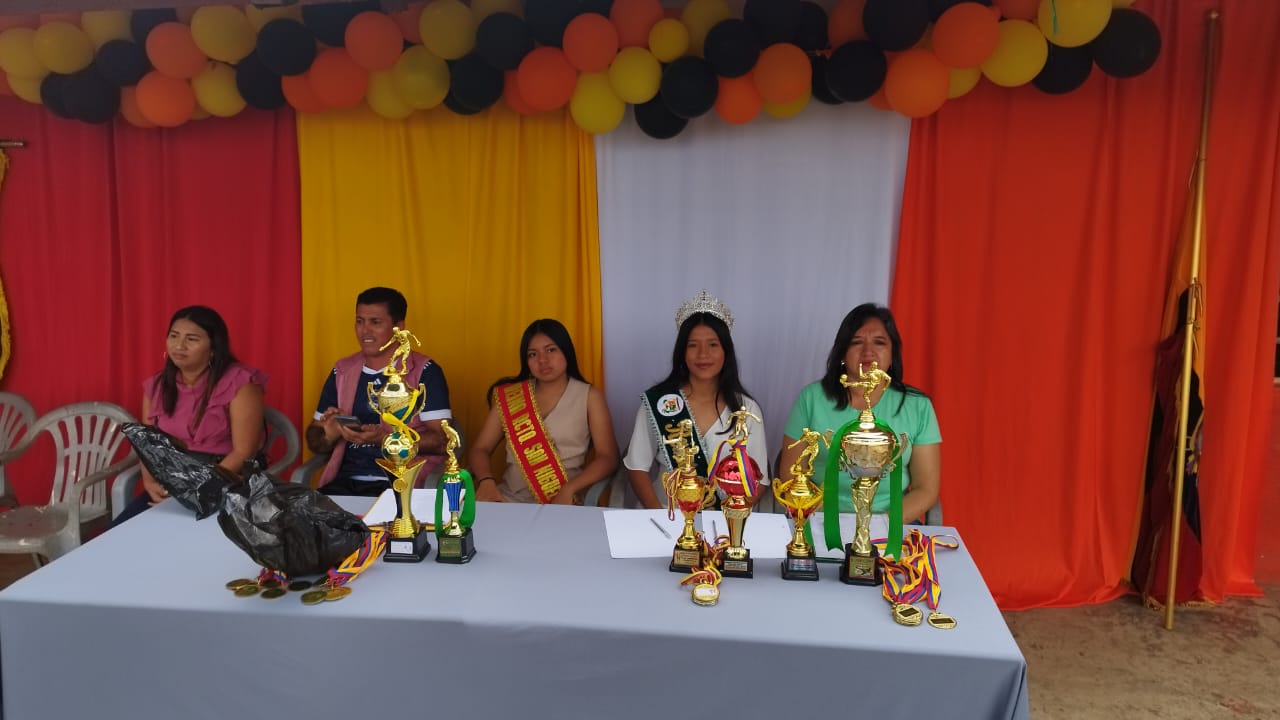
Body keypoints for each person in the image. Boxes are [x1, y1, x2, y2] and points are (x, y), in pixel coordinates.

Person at [778, 303, 940, 522]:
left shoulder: (917, 406)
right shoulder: (811, 399)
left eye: (879, 342)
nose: (868, 351)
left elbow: (925, 488)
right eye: (856, 342)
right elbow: (790, 474)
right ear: (842, 353)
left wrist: (882, 525)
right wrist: (829, 523)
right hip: (820, 521)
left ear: (892, 354)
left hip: (891, 525)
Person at [115, 306, 267, 523]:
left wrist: (195, 488)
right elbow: (148, 443)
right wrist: (150, 482)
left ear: (213, 347)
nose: (179, 345)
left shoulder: (241, 384)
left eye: (192, 339)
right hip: (174, 483)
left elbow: (244, 451)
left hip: (226, 481)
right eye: (174, 336)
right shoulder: (158, 385)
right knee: (123, 532)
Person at [624, 291, 769, 509]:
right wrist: (659, 516)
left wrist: (731, 519)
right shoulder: (660, 403)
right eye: (693, 345)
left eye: (713, 345)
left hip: (724, 518)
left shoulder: (746, 408)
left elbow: (759, 481)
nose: (703, 354)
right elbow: (637, 467)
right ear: (682, 352)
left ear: (726, 351)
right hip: (666, 514)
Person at [307, 287, 451, 496]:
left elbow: (442, 441)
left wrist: (385, 439)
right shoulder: (342, 370)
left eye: (375, 322)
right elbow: (315, 441)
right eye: (359, 321)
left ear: (398, 327)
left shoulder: (425, 371)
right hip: (344, 483)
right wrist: (329, 433)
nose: (365, 331)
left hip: (399, 486)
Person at [467, 319, 618, 504]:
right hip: (508, 499)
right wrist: (486, 481)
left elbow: (608, 457)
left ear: (566, 351)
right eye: (533, 354)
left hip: (564, 501)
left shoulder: (590, 396)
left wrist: (570, 488)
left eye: (551, 350)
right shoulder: (512, 396)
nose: (542, 360)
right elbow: (480, 449)